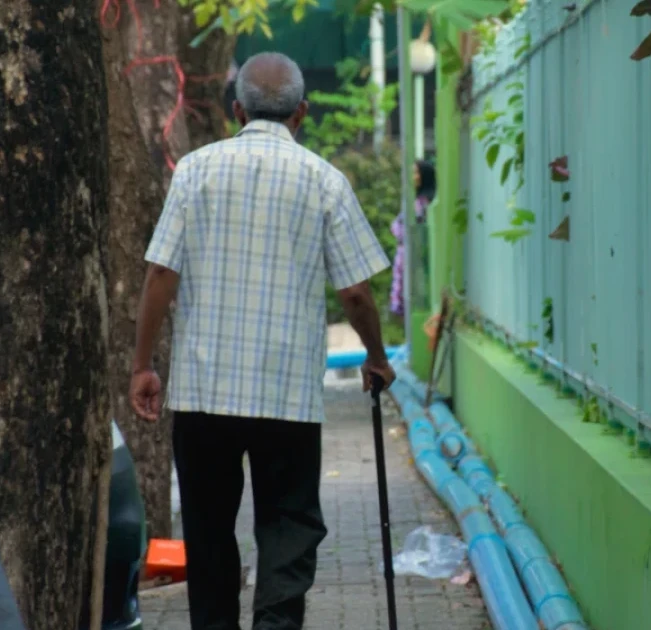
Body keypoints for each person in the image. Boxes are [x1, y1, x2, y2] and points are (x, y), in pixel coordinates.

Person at [129, 52, 397, 630]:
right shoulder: (325, 180)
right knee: (288, 527)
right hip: (287, 398)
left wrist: (142, 365)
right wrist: (375, 358)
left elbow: (160, 275)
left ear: (236, 110)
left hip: (204, 394)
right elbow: (355, 293)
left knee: (207, 530)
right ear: (302, 112)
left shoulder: (195, 171)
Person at [389, 159, 435, 317]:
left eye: (415, 172)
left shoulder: (421, 204)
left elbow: (406, 229)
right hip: (407, 255)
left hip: (413, 256)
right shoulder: (414, 202)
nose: (412, 176)